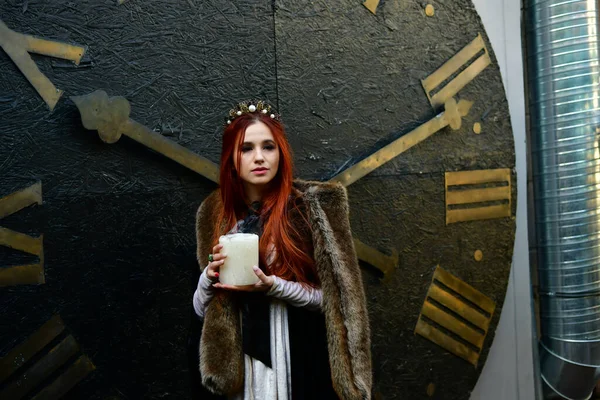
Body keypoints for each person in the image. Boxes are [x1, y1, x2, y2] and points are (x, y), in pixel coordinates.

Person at [192, 100, 372, 399]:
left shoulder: (310, 209)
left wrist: (274, 286)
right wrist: (208, 279)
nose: (259, 157)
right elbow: (201, 314)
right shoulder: (215, 214)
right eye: (246, 148)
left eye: (269, 147)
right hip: (242, 370)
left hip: (300, 358)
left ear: (281, 153)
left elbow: (337, 303)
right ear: (231, 159)